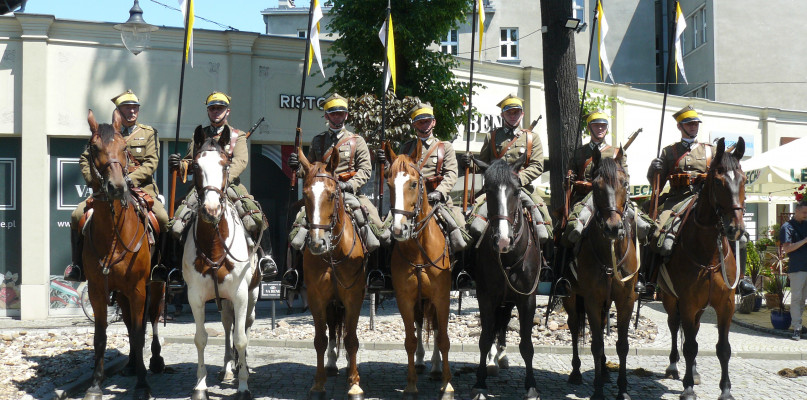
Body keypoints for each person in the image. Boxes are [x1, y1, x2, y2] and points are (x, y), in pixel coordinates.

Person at [167, 91, 276, 280]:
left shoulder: (237, 136)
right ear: (208, 111)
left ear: (228, 111)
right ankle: (173, 266)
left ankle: (266, 258)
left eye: (220, 108)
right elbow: (191, 161)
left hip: (229, 185)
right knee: (177, 222)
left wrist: (221, 180)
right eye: (212, 108)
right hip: (201, 188)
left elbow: (241, 161)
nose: (216, 111)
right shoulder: (199, 135)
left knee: (254, 214)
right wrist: (180, 164)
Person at [64, 90, 168, 282]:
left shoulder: (148, 133)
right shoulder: (105, 134)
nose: (132, 111)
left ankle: (162, 267)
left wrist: (130, 179)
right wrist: (93, 181)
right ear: (118, 112)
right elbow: (85, 160)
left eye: (135, 107)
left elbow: (152, 162)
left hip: (141, 188)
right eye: (127, 108)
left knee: (162, 218)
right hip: (106, 190)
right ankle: (77, 265)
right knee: (77, 215)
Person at [283, 93, 383, 290]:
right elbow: (309, 169)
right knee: (299, 223)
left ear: (346, 116)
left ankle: (375, 271)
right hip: (322, 194)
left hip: (349, 193)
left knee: (374, 223)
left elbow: (365, 170)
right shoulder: (318, 141)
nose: (337, 117)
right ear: (327, 116)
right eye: (333, 114)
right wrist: (297, 166)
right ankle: (294, 272)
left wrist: (350, 185)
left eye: (340, 113)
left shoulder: (357, 141)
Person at [461, 94, 551, 288]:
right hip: (495, 189)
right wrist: (471, 164)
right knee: (472, 222)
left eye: (516, 112)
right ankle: (467, 267)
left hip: (520, 187)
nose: (513, 115)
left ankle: (545, 265)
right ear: (502, 114)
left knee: (543, 223)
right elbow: (484, 162)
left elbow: (537, 165)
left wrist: (518, 179)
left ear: (522, 114)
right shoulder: (492, 136)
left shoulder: (531, 138)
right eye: (509, 112)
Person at [641, 105, 712, 296]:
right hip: (676, 200)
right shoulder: (670, 152)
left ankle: (741, 281)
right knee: (656, 233)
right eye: (689, 124)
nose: (693, 126)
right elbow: (657, 181)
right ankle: (649, 280)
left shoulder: (710, 151)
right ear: (680, 127)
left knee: (734, 231)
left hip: (703, 200)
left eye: (696, 123)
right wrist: (653, 169)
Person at [397, 102, 470, 287]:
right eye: (420, 122)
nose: (424, 125)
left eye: (427, 121)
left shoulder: (445, 147)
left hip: (436, 200)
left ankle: (462, 271)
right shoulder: (405, 148)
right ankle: (382, 272)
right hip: (409, 202)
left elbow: (452, 173)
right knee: (386, 228)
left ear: (434, 122)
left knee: (461, 229)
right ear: (414, 124)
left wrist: (440, 192)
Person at [780, 201, 807, 341]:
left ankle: (799, 325)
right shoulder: (787, 227)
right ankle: (796, 328)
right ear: (796, 210)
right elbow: (787, 248)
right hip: (797, 268)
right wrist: (804, 241)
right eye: (804, 212)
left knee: (803, 300)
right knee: (796, 299)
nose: (806, 215)